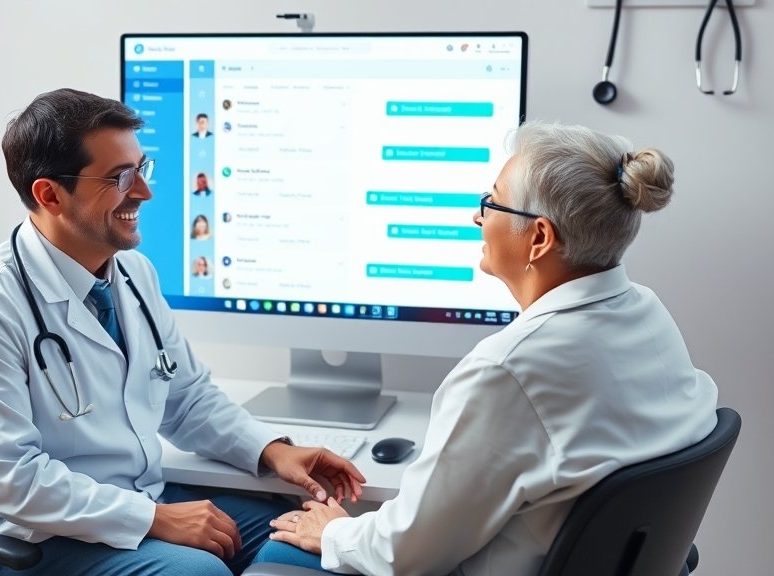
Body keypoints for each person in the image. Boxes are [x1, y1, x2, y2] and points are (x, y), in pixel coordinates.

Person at [0, 88, 365, 576]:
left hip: (125, 504)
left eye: (141, 168)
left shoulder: (131, 272)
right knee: (199, 573)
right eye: (120, 178)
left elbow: (186, 397)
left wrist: (273, 451)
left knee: (307, 538)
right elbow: (14, 484)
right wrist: (153, 518)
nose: (144, 192)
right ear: (50, 194)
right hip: (17, 541)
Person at [255, 121, 719, 576]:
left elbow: (406, 556)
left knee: (268, 554)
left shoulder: (505, 368)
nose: (477, 217)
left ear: (538, 237)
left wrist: (335, 530)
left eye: (492, 202)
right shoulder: (649, 315)